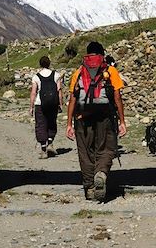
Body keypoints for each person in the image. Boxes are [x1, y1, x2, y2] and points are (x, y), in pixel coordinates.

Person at [66, 41, 127, 202]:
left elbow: (72, 99)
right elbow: (117, 97)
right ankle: (101, 172)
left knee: (85, 152)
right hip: (105, 116)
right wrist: (122, 121)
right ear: (102, 54)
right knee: (107, 147)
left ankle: (89, 188)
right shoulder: (110, 70)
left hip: (82, 118)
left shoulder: (79, 71)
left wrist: (68, 124)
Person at [30, 55, 63, 159]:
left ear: (40, 64)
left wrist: (31, 106)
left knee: (40, 125)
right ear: (49, 64)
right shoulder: (56, 75)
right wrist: (60, 104)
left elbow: (33, 93)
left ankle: (43, 149)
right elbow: (59, 91)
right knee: (51, 123)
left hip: (40, 104)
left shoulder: (36, 77)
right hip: (53, 103)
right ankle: (50, 142)